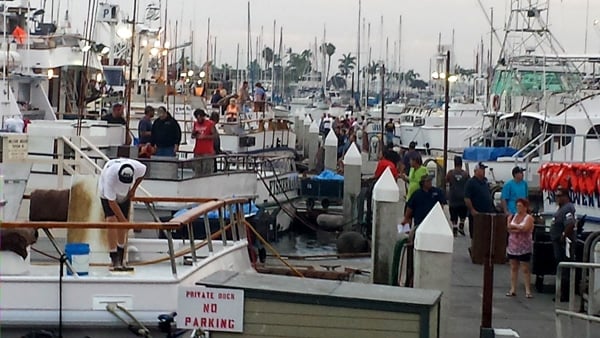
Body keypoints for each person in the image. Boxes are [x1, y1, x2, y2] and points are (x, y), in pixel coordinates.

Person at [98, 158, 146, 271]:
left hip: (124, 194)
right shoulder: (110, 175)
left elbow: (143, 173)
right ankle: (114, 256)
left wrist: (133, 189)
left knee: (122, 225)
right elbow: (112, 202)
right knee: (112, 221)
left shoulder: (137, 167)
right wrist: (125, 221)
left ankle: (121, 254)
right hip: (107, 195)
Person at [551, 188, 576, 302]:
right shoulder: (561, 208)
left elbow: (570, 224)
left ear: (565, 196)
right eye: (556, 196)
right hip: (557, 241)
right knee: (560, 266)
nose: (557, 198)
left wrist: (563, 236)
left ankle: (565, 294)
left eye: (559, 196)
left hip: (564, 243)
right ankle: (560, 292)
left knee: (565, 267)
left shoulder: (568, 208)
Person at [506, 198, 534, 299]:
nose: (518, 208)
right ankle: (513, 289)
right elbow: (508, 227)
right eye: (517, 206)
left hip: (524, 246)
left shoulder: (529, 218)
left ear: (525, 207)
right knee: (513, 267)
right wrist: (517, 229)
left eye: (520, 206)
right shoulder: (513, 216)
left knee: (525, 268)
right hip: (513, 246)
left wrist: (515, 228)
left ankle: (528, 290)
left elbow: (526, 228)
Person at [464, 162, 495, 238]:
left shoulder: (485, 181)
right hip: (477, 214)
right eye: (481, 169)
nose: (483, 171)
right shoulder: (470, 182)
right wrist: (472, 210)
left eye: (484, 169)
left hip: (487, 213)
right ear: (475, 171)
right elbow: (467, 198)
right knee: (476, 235)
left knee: (485, 234)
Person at [446, 155, 470, 237]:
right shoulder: (466, 174)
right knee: (463, 213)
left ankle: (455, 227)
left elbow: (446, 181)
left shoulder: (450, 173)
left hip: (453, 198)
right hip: (463, 198)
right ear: (461, 163)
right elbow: (469, 184)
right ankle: (462, 225)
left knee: (453, 214)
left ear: (454, 163)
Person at [192, 109, 218, 175]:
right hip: (197, 151)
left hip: (208, 151)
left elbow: (215, 135)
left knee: (207, 172)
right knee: (197, 171)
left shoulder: (210, 124)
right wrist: (195, 135)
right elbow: (192, 135)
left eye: (200, 117)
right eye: (197, 118)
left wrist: (205, 137)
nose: (199, 119)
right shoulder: (195, 124)